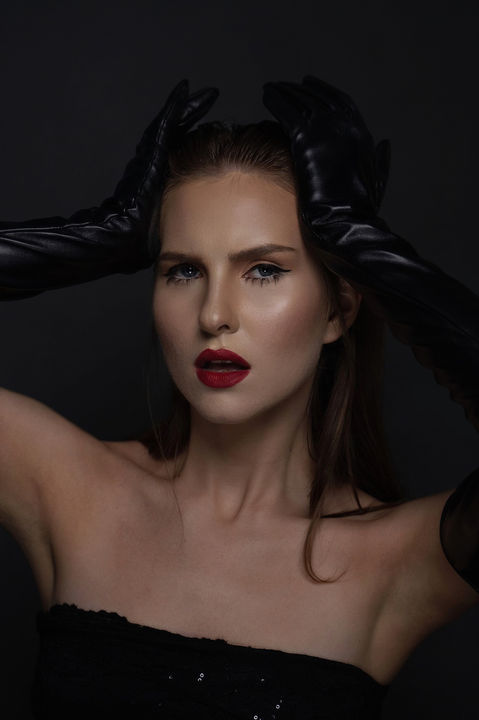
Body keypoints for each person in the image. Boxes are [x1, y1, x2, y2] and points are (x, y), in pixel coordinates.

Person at [0, 75, 477, 719]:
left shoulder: (401, 557)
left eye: (264, 270)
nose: (214, 314)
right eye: (184, 270)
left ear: (338, 310)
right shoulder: (64, 485)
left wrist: (364, 246)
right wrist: (94, 237)